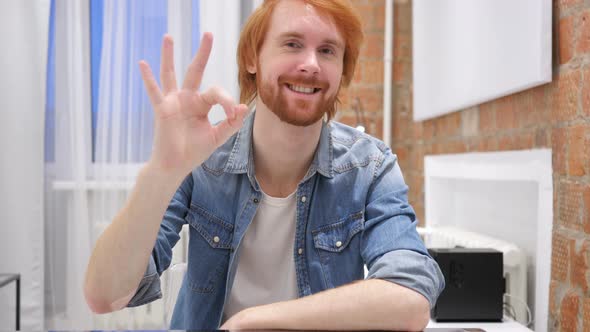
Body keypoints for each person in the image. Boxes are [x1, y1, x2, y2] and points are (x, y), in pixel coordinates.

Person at [84, 0, 445, 330]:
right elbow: (106, 296)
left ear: (341, 71)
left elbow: (410, 296)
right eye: (292, 44)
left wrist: (251, 320)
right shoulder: (205, 161)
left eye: (328, 50)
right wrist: (160, 174)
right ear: (252, 59)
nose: (311, 64)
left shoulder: (369, 166)